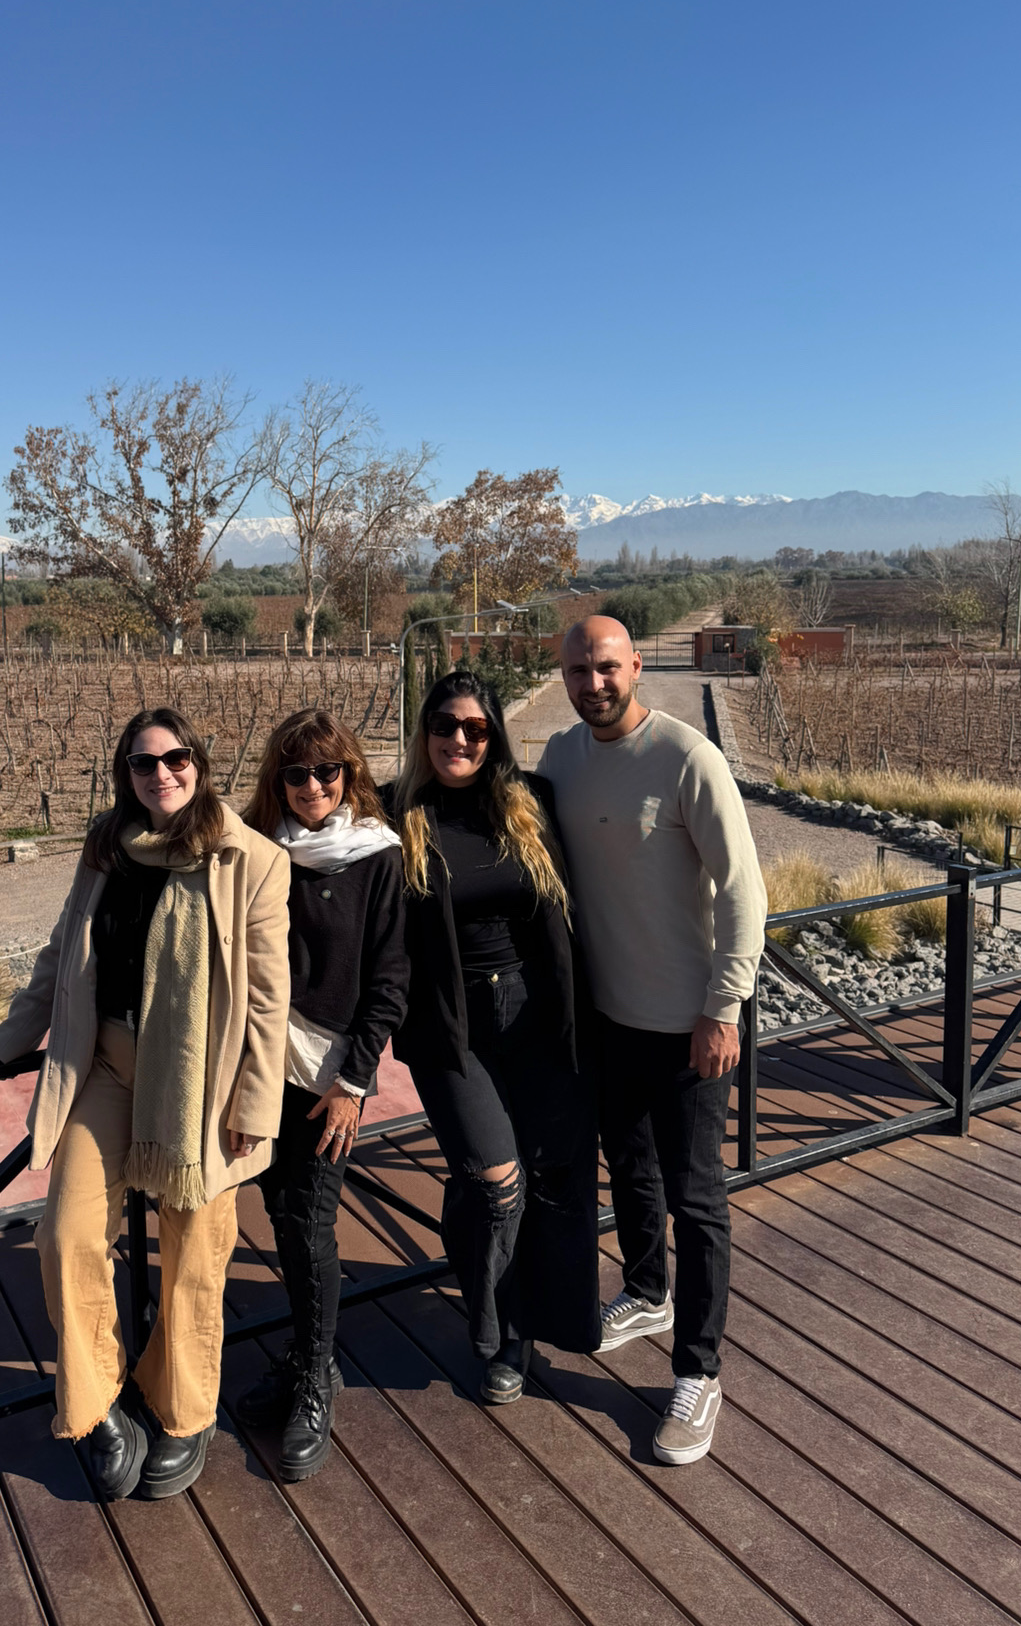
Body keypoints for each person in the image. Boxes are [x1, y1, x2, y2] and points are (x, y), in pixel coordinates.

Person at [0, 706, 290, 1501]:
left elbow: (268, 999)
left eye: (176, 758)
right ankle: (99, 1401)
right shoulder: (108, 844)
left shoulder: (250, 859)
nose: (162, 774)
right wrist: (15, 1033)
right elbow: (64, 943)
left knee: (193, 1257)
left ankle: (185, 1412)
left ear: (199, 764)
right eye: (144, 764)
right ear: (126, 776)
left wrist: (256, 1104)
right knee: (66, 1237)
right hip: (104, 1065)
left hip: (199, 1085)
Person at [538, 617, 766, 1465]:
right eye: (577, 670)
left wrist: (724, 1008)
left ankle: (699, 1373)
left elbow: (745, 893)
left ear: (635, 666)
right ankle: (646, 1291)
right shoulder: (562, 758)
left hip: (686, 1028)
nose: (592, 682)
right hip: (605, 1019)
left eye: (606, 667)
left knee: (697, 1199)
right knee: (627, 1167)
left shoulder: (687, 760)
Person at [383, 669, 598, 1403]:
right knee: (496, 1181)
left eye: (477, 728)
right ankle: (491, 1323)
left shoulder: (529, 804)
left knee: (536, 1178)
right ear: (425, 731)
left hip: (535, 1018)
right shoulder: (395, 812)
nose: (460, 740)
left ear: (495, 736)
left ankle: (520, 1331)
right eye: (446, 724)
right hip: (451, 1029)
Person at [237, 709, 407, 1479]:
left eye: (326, 773)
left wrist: (353, 1085)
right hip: (257, 1064)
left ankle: (315, 1377)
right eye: (296, 774)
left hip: (330, 1072)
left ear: (349, 776)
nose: (311, 787)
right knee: (279, 1210)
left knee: (310, 1221)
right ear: (278, 779)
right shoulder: (253, 849)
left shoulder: (377, 856)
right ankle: (308, 1357)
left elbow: (390, 982)